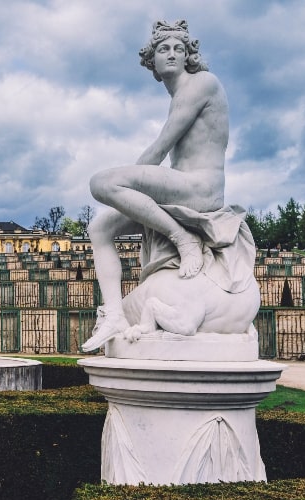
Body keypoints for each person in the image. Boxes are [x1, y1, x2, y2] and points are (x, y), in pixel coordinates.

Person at [82, 20, 249, 351]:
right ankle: (114, 314)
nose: (172, 54)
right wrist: (129, 199)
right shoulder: (179, 94)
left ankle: (182, 239)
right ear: (152, 62)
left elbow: (159, 149)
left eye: (179, 49)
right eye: (163, 49)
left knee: (101, 182)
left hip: (200, 188)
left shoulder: (203, 83)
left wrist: (124, 194)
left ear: (189, 55)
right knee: (99, 228)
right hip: (180, 187)